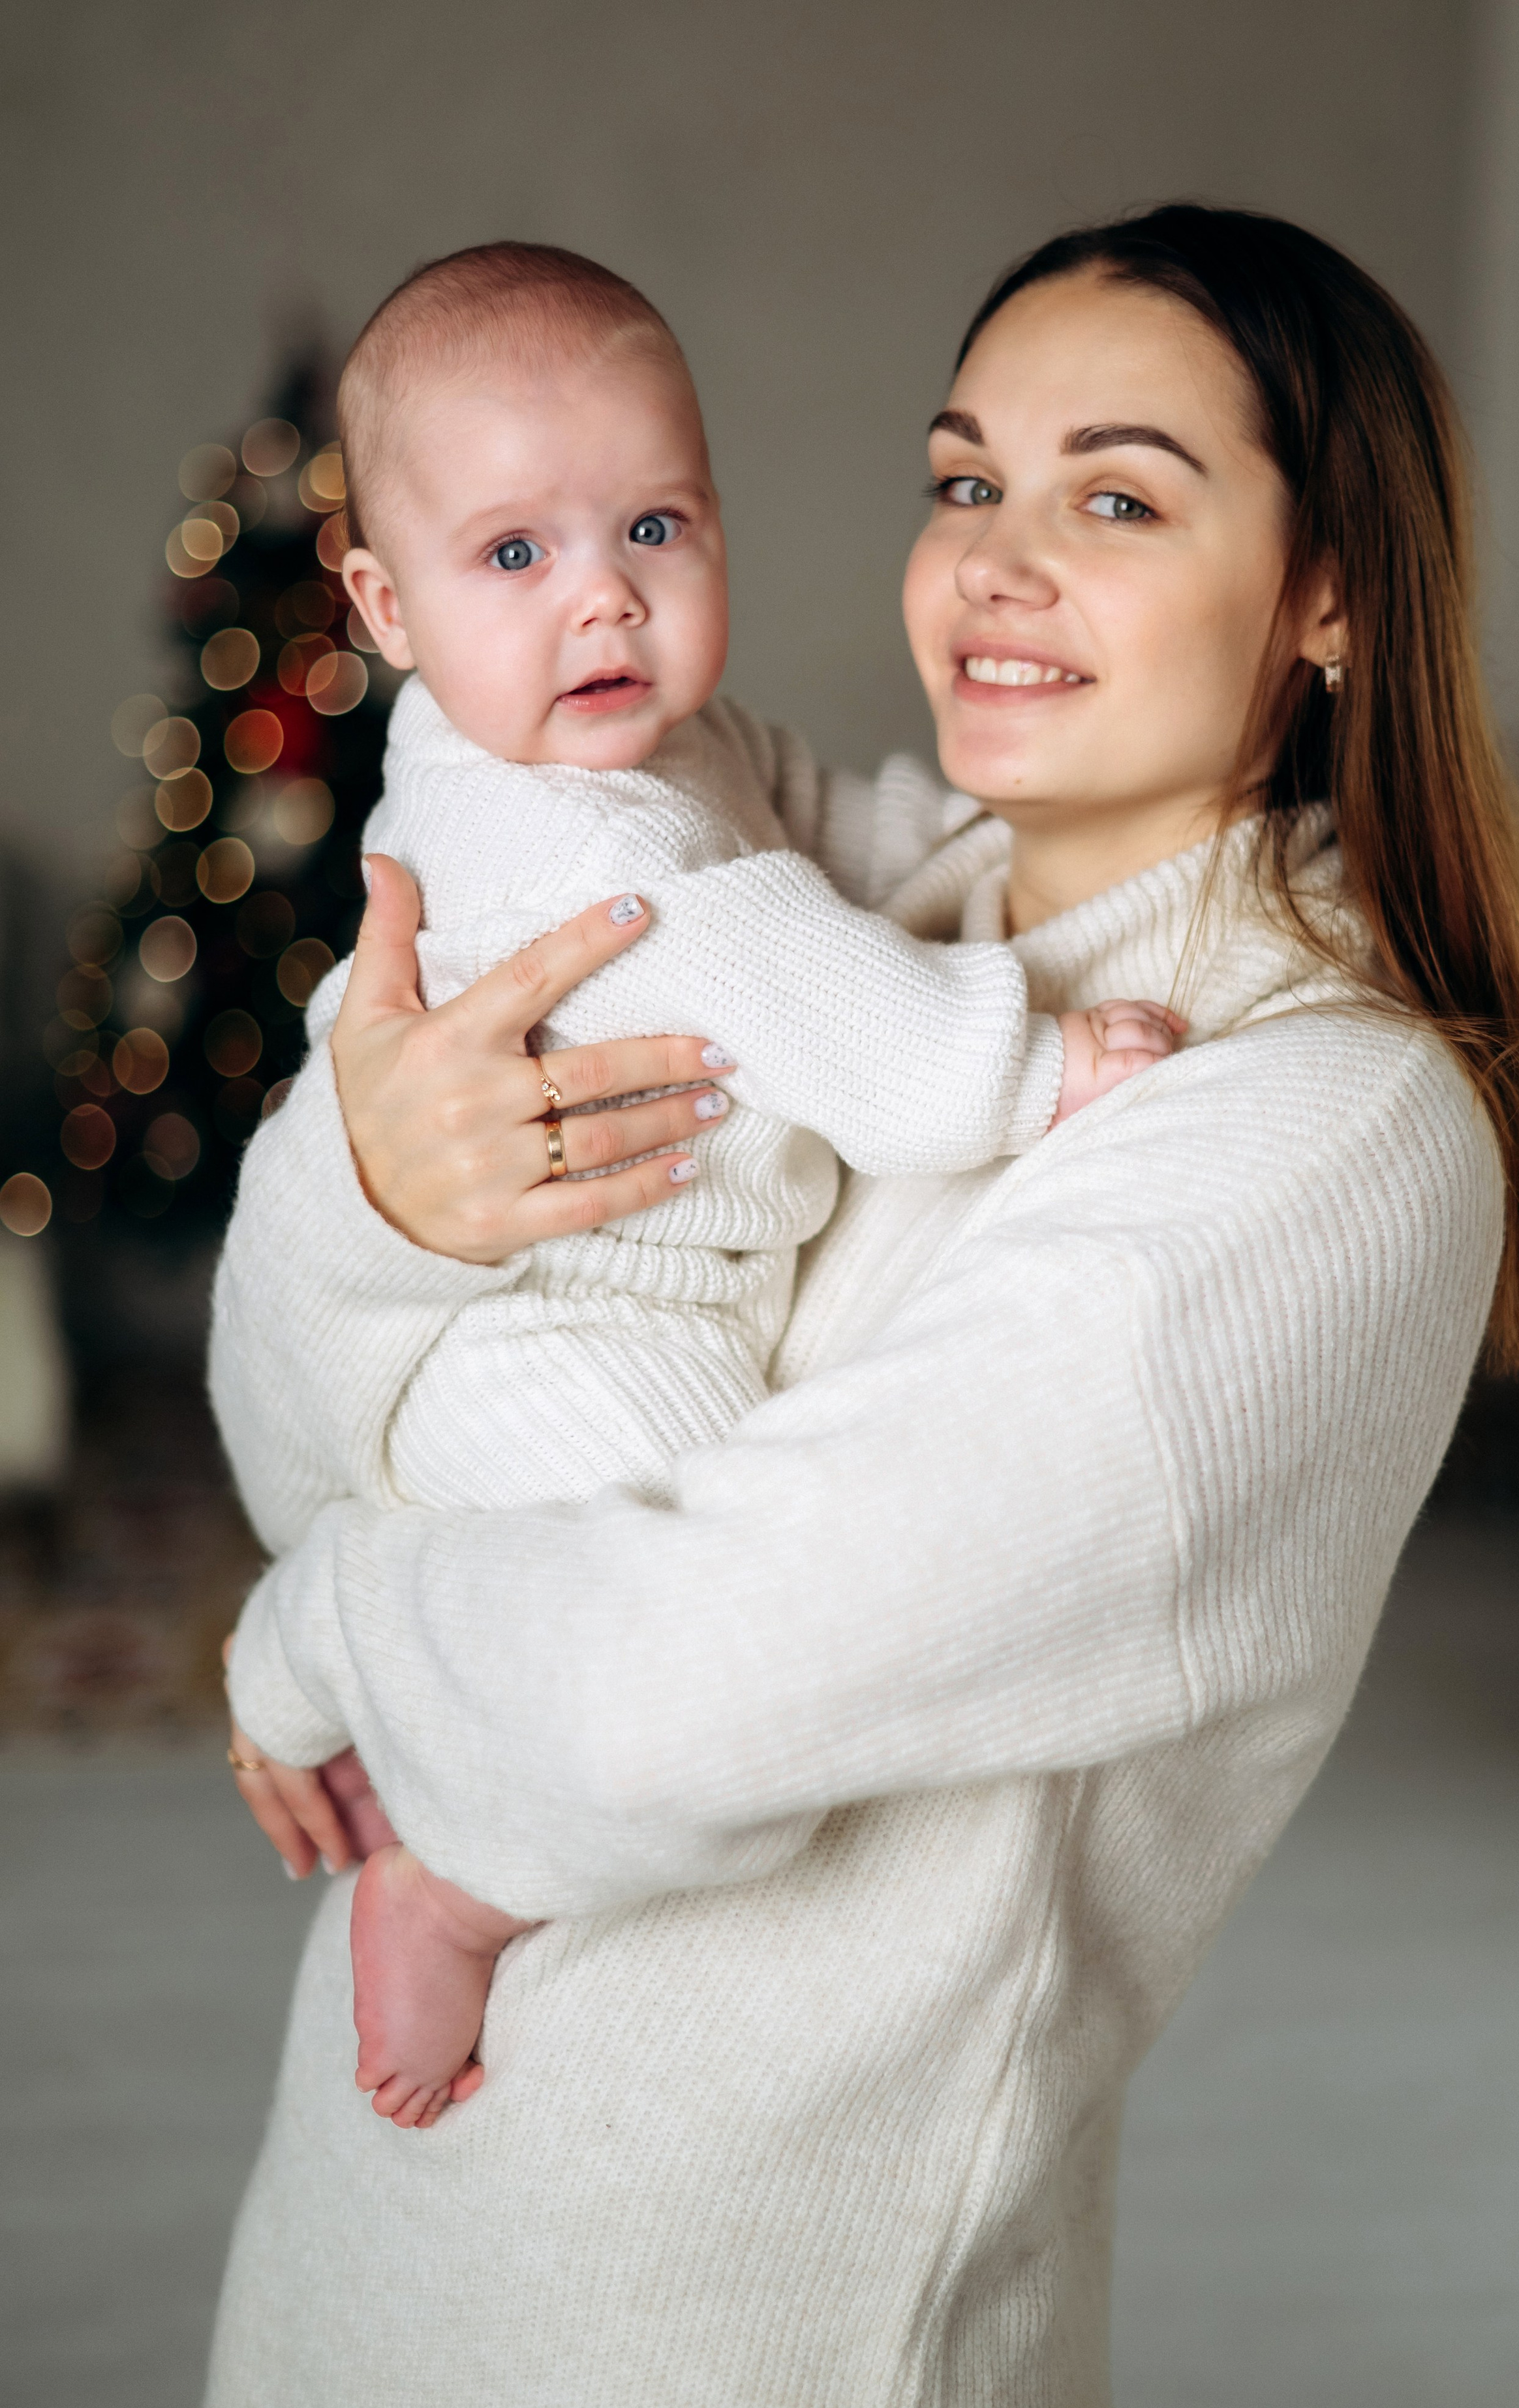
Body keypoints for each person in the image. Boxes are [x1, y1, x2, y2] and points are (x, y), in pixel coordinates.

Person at [189, 206, 1519, 2408]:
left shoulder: (1321, 1126)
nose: (995, 565)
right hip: (402, 2231)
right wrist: (377, 1193)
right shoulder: (857, 896)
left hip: (731, 2371)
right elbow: (293, 1427)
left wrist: (330, 1621)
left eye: (1118, 496)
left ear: (1332, 587)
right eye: (968, 482)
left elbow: (665, 1678)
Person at [281, 238, 1176, 2129]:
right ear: (383, 599)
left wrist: (986, 838)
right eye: (514, 556)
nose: (602, 597)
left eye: (656, 529)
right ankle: (453, 1871)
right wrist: (1035, 1059)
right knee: (728, 1710)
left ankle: (378, 1660)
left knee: (721, 1644)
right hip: (568, 1330)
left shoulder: (657, 746)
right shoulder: (573, 834)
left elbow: (822, 814)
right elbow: (814, 981)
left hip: (613, 1302)